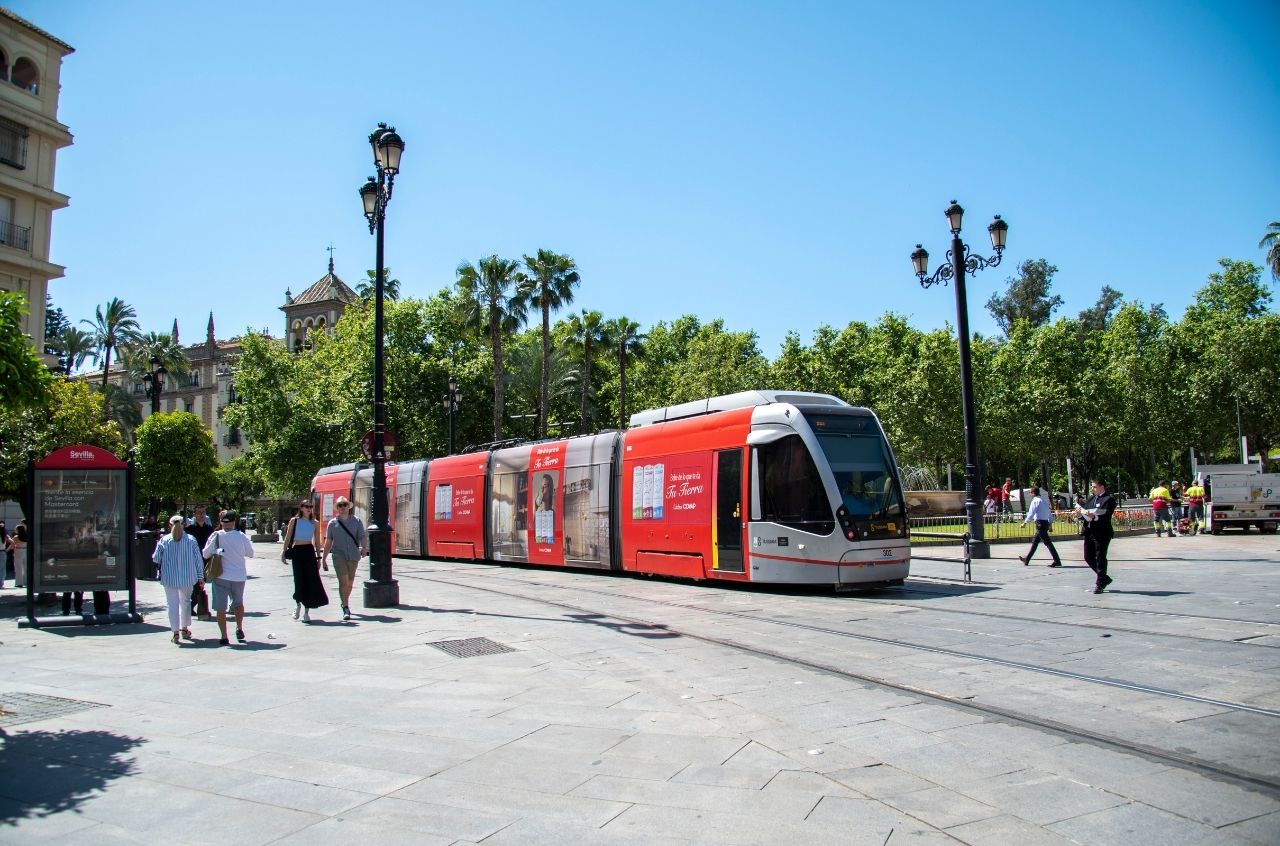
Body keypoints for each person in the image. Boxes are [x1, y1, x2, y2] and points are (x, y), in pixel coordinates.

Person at [202, 509, 255, 646]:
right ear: (234, 522)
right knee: (238, 604)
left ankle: (224, 636)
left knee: (220, 608)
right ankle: (239, 627)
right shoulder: (241, 536)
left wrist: (216, 551)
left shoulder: (216, 535)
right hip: (238, 576)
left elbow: (205, 554)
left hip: (221, 576)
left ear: (221, 522)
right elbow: (250, 553)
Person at [153, 515, 205, 644]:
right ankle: (184, 629)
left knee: (172, 604)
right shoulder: (191, 540)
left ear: (169, 526)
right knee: (186, 602)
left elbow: (156, 558)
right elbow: (198, 560)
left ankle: (175, 632)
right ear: (184, 525)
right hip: (188, 578)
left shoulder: (164, 540)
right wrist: (200, 576)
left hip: (169, 578)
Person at [320, 496, 366, 621]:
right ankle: (345, 607)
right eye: (340, 505)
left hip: (353, 555)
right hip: (338, 555)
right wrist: (323, 558)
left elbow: (362, 536)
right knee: (343, 581)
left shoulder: (356, 521)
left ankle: (344, 601)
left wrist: (364, 547)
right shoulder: (332, 523)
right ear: (337, 508)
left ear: (348, 507)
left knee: (350, 583)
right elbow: (328, 542)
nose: (342, 507)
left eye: (344, 505)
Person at [282, 500, 327, 622]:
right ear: (301, 508)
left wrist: (318, 557)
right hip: (297, 551)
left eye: (311, 507)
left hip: (309, 551)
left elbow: (317, 542)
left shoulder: (315, 523)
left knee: (310, 580)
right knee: (298, 579)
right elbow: (288, 537)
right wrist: (283, 552)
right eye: (306, 506)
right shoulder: (294, 521)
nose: (309, 509)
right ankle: (298, 604)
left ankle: (307, 612)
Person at [1075, 477, 1117, 594]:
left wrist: (1095, 516)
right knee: (1088, 556)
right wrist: (1079, 514)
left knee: (1100, 557)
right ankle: (1104, 578)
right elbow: (1085, 512)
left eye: (1094, 486)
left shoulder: (1108, 499)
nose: (1092, 489)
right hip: (1089, 531)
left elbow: (1106, 514)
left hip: (1102, 532)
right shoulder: (1091, 498)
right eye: (1092, 486)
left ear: (1101, 487)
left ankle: (1100, 583)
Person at [185, 504, 216, 618]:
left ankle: (193, 606)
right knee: (196, 585)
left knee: (201, 584)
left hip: (206, 561)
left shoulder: (209, 529)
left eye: (203, 512)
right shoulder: (189, 530)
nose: (201, 515)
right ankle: (191, 605)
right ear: (194, 514)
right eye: (199, 513)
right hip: (193, 561)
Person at [1018, 486, 1062, 567]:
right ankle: (1027, 559)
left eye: (1030, 493)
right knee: (1035, 542)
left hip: (1040, 524)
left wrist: (1025, 523)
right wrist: (1050, 524)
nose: (1030, 494)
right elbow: (1049, 513)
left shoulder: (1035, 501)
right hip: (1045, 523)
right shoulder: (1044, 501)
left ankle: (1057, 561)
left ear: (1033, 493)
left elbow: (1031, 513)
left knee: (1048, 543)